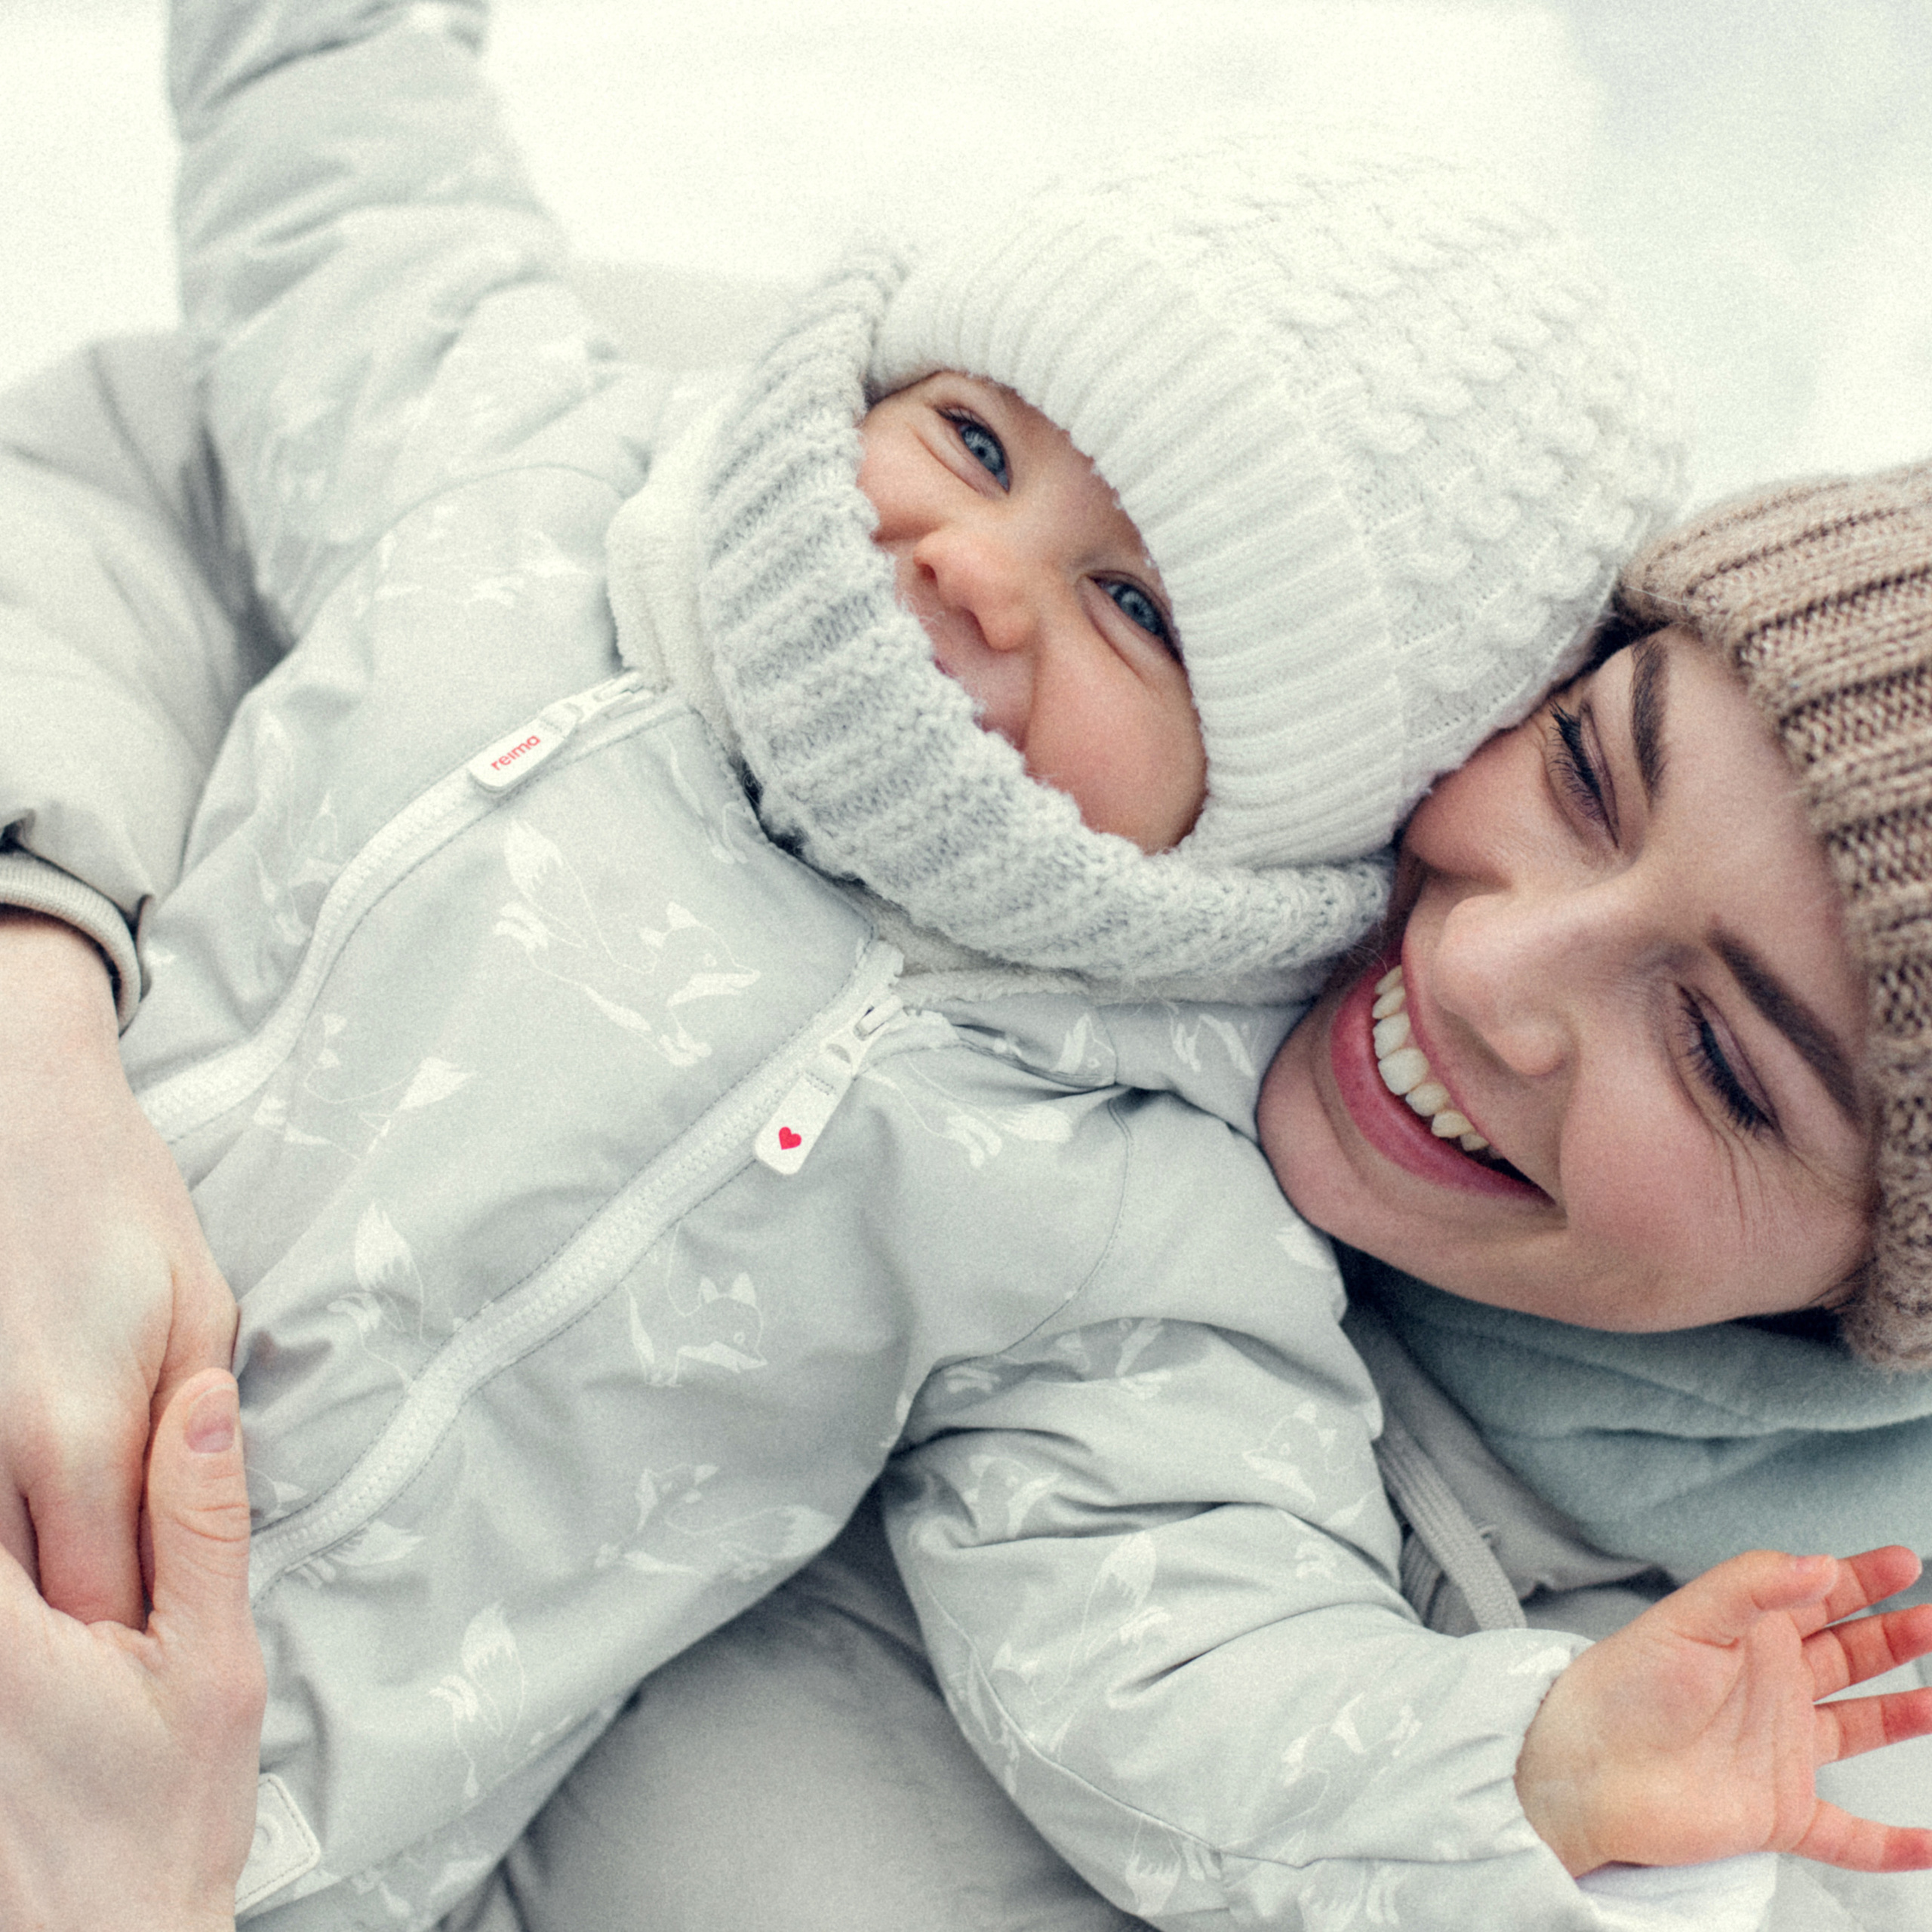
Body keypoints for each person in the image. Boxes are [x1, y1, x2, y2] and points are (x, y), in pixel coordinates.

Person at [8, 5, 1925, 1932]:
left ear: (1280, 794)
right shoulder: (560, 482)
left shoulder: (1119, 1168)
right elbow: (347, 210)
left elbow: (1166, 1644)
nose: (970, 565)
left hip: (228, 1846)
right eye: (1585, 767)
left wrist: (1528, 1768)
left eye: (1134, 608)